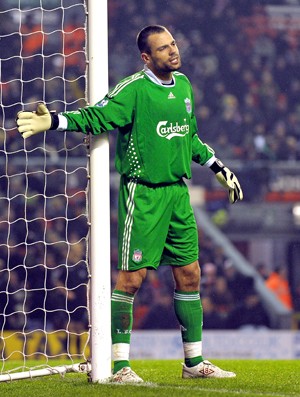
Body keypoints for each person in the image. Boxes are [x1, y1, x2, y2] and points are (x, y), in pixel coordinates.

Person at [16, 25, 243, 382]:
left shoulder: (183, 85)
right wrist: (54, 121)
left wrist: (218, 166)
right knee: (132, 279)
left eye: (173, 44)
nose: (172, 51)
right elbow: (97, 116)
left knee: (190, 274)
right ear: (146, 57)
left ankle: (194, 363)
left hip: (178, 194)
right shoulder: (133, 89)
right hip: (144, 193)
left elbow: (190, 135)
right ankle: (120, 366)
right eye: (163, 48)